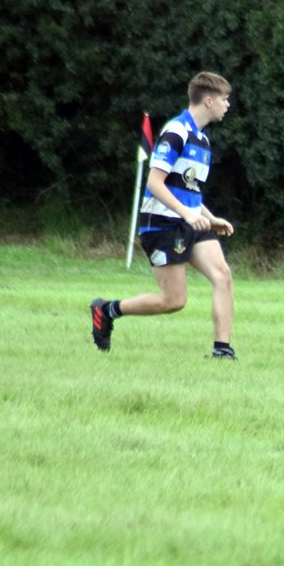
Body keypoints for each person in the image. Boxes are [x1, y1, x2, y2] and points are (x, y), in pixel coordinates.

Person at [90, 71, 237, 359]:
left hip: (189, 221)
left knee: (223, 276)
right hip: (162, 225)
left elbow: (189, 191)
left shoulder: (203, 140)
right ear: (208, 101)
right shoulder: (176, 132)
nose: (227, 105)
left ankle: (223, 351)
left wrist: (209, 218)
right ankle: (107, 310)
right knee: (174, 301)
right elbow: (155, 183)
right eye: (224, 99)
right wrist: (187, 215)